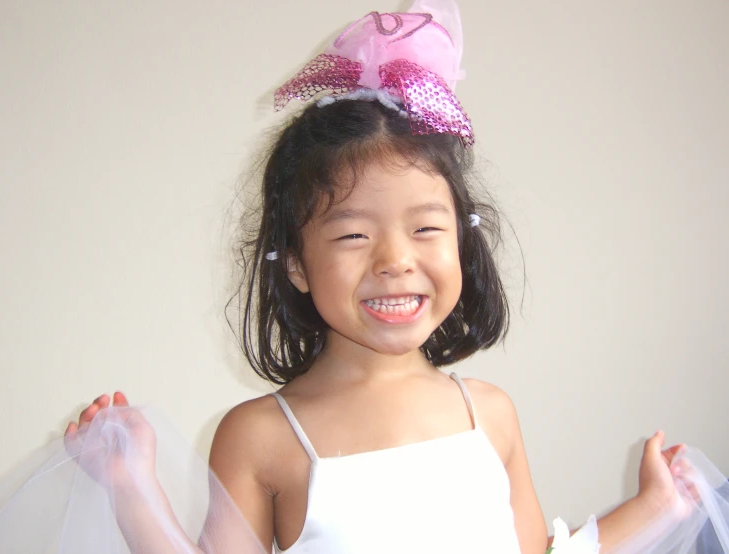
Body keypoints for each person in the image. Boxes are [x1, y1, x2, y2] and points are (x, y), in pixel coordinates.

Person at [65, 2, 698, 553]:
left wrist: (658, 507)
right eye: (352, 235)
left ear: (461, 241)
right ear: (295, 264)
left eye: (425, 229)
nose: (395, 260)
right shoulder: (260, 435)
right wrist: (130, 486)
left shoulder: (490, 414)